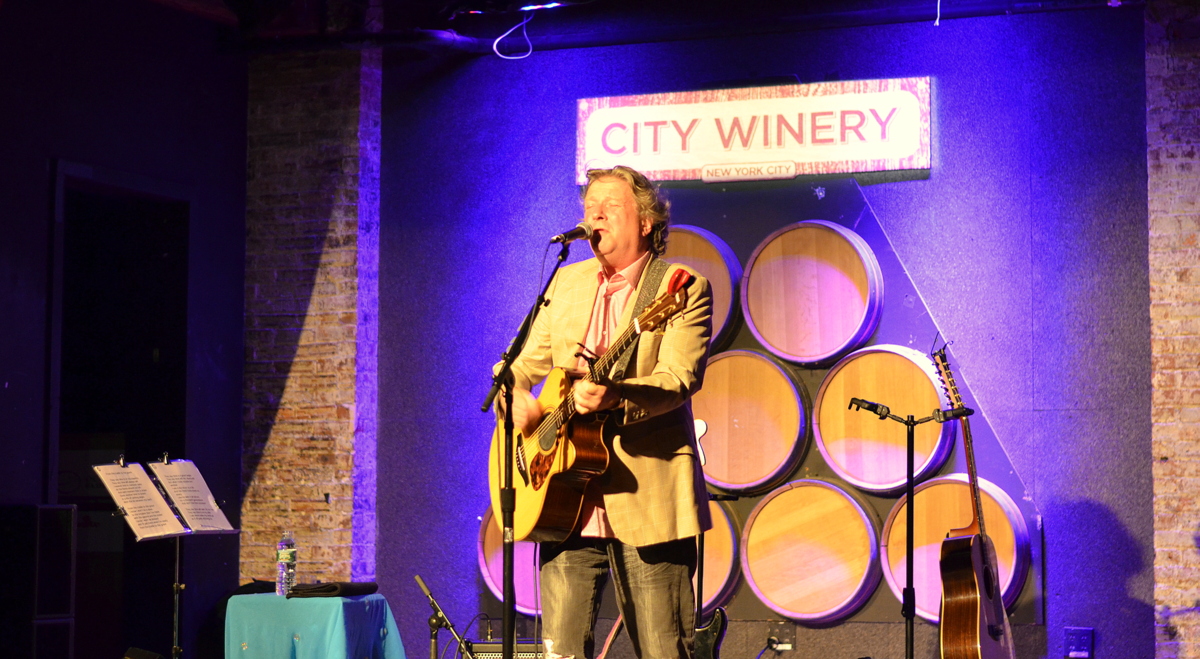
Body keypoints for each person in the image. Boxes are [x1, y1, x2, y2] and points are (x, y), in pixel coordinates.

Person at [499, 165, 713, 659]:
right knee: (560, 652)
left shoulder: (681, 286)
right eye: (588, 207)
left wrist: (616, 396)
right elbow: (517, 366)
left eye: (609, 207)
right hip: (563, 500)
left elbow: (677, 380)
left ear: (644, 222)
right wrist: (520, 405)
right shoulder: (566, 283)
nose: (594, 215)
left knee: (664, 650)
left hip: (648, 497)